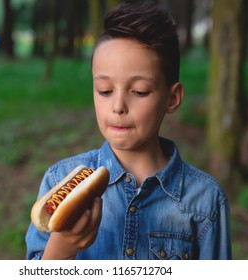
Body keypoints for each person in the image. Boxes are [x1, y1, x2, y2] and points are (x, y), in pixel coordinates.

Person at [25, 1, 232, 260]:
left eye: (139, 92)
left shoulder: (206, 201)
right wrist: (62, 248)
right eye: (105, 91)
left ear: (172, 98)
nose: (118, 106)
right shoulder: (59, 180)